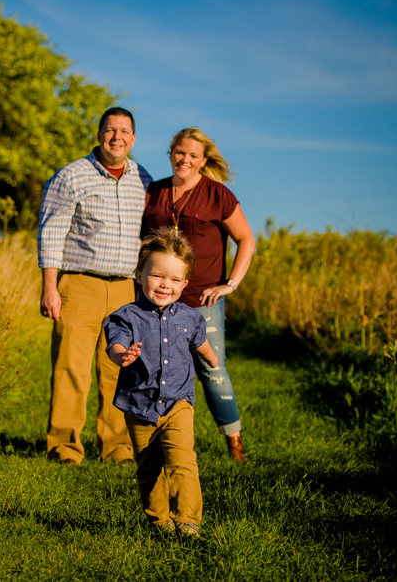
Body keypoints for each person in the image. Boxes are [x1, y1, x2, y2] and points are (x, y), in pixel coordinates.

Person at [37, 107, 152, 466]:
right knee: (71, 367)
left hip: (124, 290)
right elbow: (51, 232)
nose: (116, 137)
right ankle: (64, 446)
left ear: (133, 138)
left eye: (124, 131)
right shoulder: (71, 176)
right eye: (110, 130)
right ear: (99, 133)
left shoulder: (143, 179)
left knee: (119, 367)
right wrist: (49, 287)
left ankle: (117, 445)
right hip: (79, 284)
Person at [141, 127, 255, 462]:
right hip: (157, 299)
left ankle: (234, 442)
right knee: (157, 370)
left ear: (203, 160)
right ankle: (158, 439)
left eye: (193, 155)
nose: (185, 160)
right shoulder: (155, 191)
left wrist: (230, 284)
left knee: (212, 368)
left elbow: (246, 240)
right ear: (171, 153)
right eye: (179, 152)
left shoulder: (218, 194)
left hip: (202, 301)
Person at [105, 227, 218, 537]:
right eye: (156, 276)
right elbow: (116, 341)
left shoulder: (190, 317)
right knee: (150, 470)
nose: (165, 284)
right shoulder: (125, 316)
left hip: (178, 402)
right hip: (139, 405)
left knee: (183, 461)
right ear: (139, 275)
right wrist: (122, 355)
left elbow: (199, 341)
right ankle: (160, 523)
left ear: (184, 283)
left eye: (174, 279)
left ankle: (188, 521)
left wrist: (211, 357)